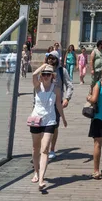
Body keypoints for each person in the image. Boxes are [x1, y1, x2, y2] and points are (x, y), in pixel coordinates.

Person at [30, 63, 67, 191]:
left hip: (50, 121)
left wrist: (63, 118)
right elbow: (34, 75)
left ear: (52, 76)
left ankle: (41, 179)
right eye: (44, 74)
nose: (46, 76)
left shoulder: (56, 89)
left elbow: (58, 105)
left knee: (45, 149)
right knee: (36, 148)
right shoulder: (37, 86)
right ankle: (36, 171)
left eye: (48, 74)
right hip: (36, 120)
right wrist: (44, 66)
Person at [45, 50, 73, 160]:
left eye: (53, 58)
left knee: (54, 126)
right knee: (43, 126)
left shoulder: (62, 71)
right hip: (44, 103)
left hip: (57, 103)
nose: (50, 60)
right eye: (49, 58)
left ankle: (52, 149)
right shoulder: (44, 70)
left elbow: (69, 85)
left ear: (57, 60)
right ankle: (44, 148)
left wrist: (67, 98)